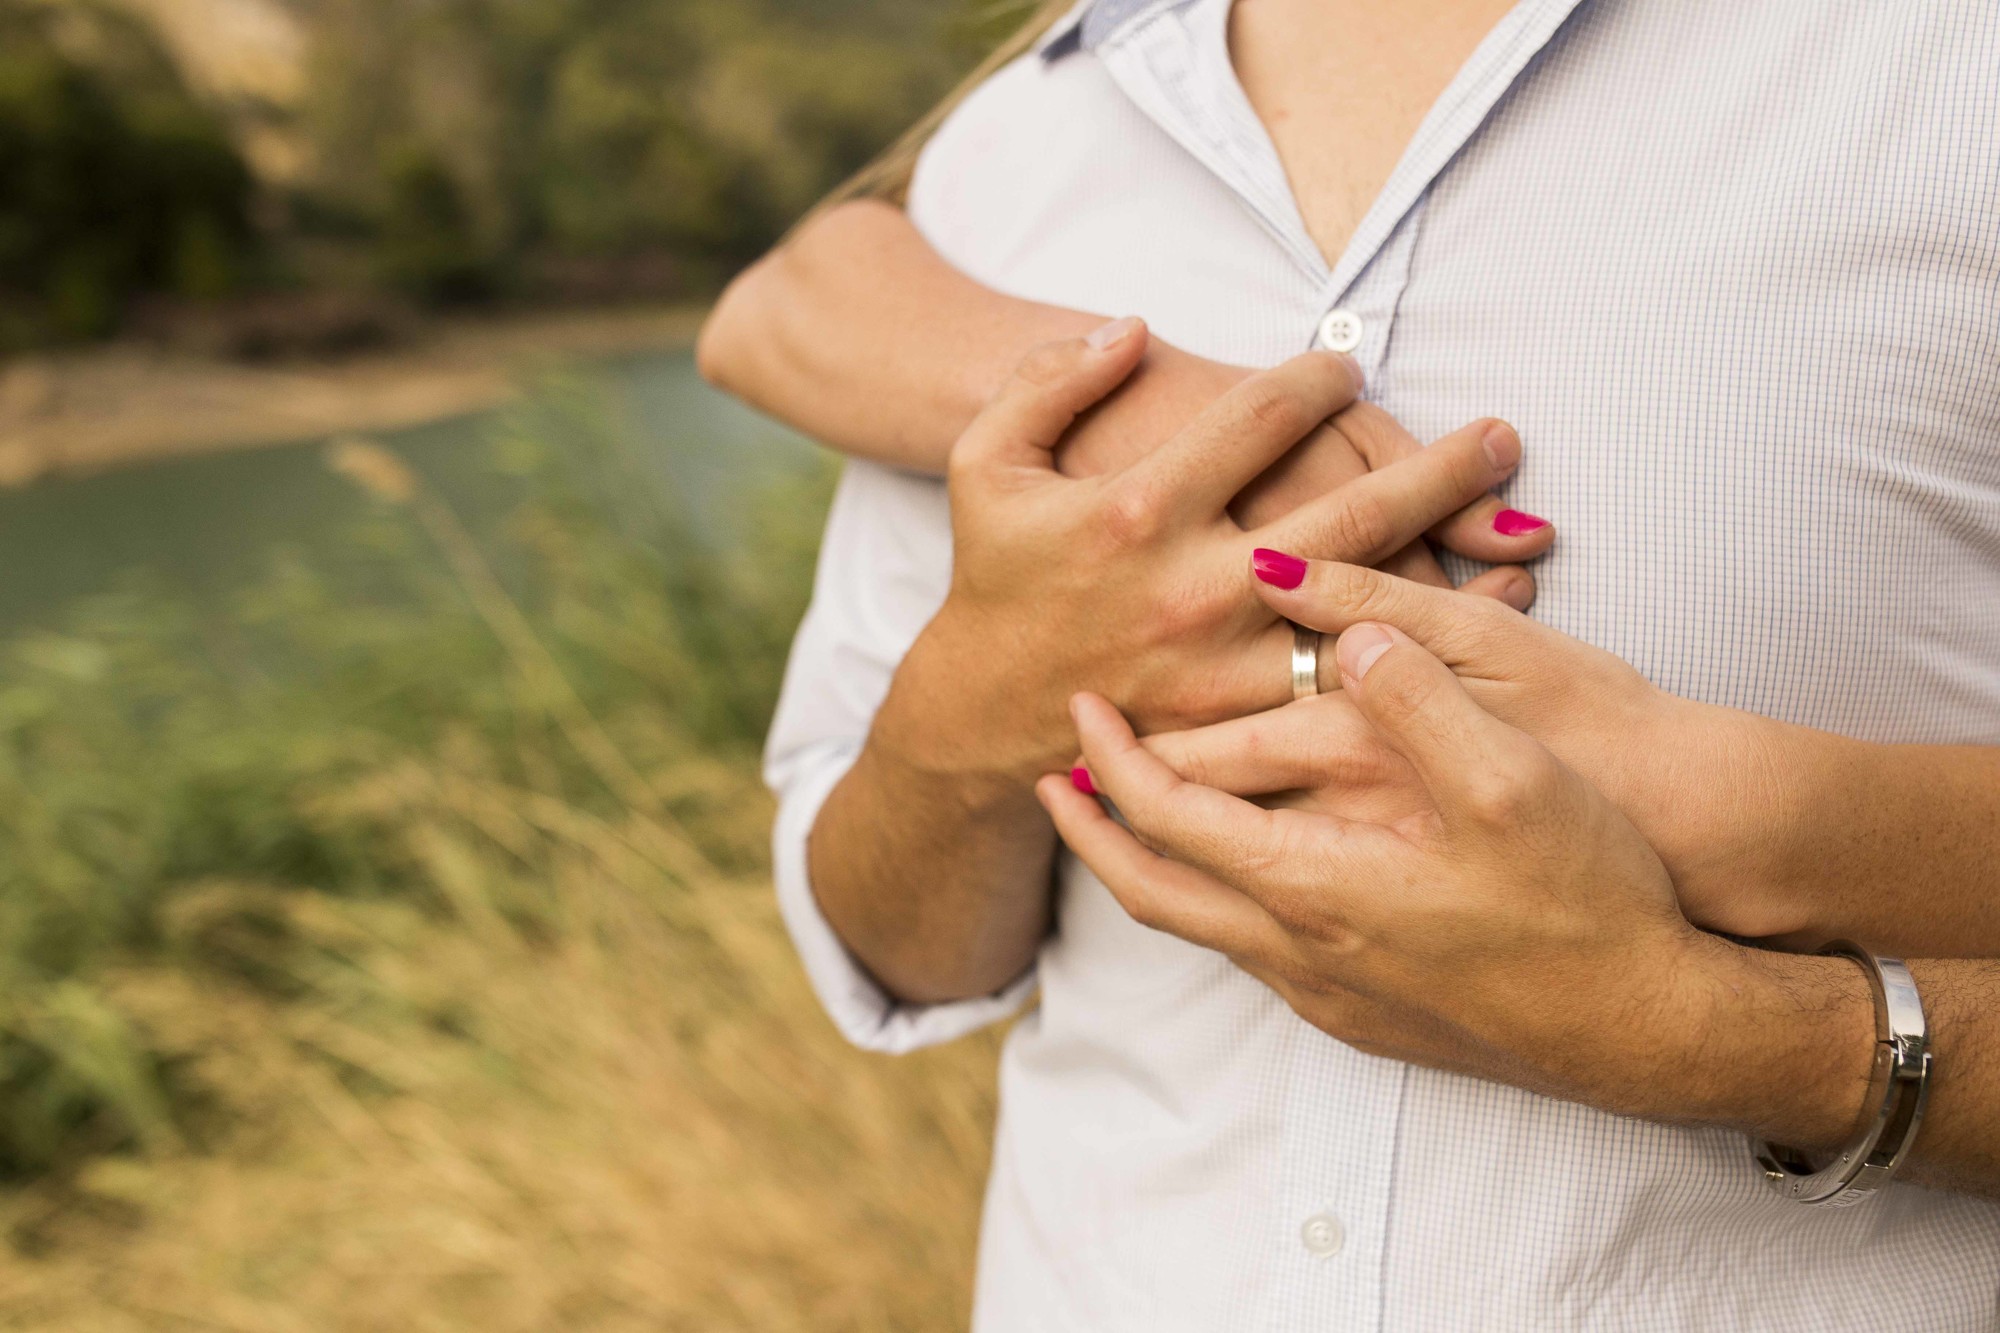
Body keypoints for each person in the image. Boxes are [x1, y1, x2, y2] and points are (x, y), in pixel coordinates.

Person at [699, 0, 2000, 1326]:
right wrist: (980, 710)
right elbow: (890, 942)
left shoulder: (1950, 74)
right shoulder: (1019, 146)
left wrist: (1750, 1003)